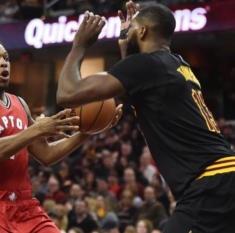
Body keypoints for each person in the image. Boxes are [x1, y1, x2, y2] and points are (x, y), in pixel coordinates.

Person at [56, 1, 235, 233]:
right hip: (222, 176)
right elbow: (135, 83)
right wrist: (127, 45)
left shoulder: (147, 66)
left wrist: (79, 45)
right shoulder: (177, 64)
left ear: (142, 32)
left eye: (132, 29)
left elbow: (67, 94)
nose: (127, 32)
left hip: (209, 183)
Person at [0, 38, 122, 232]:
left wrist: (88, 131)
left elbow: (46, 155)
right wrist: (36, 130)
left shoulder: (19, 104)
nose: (3, 62)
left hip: (25, 207)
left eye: (6, 58)